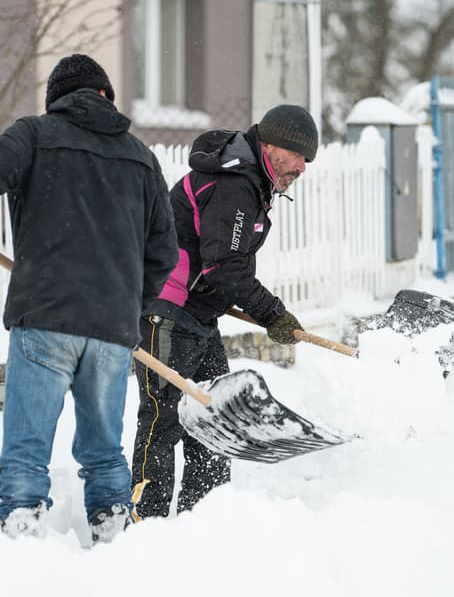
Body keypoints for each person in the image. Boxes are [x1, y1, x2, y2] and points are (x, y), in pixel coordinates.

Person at [0, 54, 178, 544]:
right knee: (104, 449)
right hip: (110, 332)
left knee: (26, 448)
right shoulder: (141, 157)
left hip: (47, 317)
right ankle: (114, 533)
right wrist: (127, 301)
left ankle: (22, 529)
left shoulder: (36, 135)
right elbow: (165, 252)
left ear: (57, 99)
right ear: (105, 95)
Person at [131, 105, 319, 519]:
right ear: (270, 146)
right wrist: (273, 315)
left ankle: (206, 521)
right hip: (169, 311)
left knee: (213, 420)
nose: (303, 168)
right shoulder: (235, 184)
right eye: (299, 156)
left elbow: (222, 266)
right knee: (162, 424)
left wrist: (258, 308)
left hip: (199, 316)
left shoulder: (252, 182)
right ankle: (146, 524)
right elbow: (224, 267)